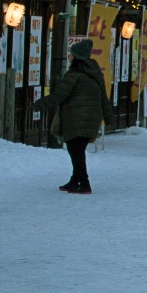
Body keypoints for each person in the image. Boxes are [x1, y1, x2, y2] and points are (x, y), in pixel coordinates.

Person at [39, 40, 108, 193]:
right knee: (77, 149)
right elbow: (103, 97)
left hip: (76, 118)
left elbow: (60, 95)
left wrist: (39, 104)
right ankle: (75, 180)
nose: (69, 56)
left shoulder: (74, 75)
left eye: (71, 54)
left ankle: (84, 183)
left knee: (76, 150)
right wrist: (108, 117)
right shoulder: (95, 73)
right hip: (91, 118)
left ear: (76, 57)